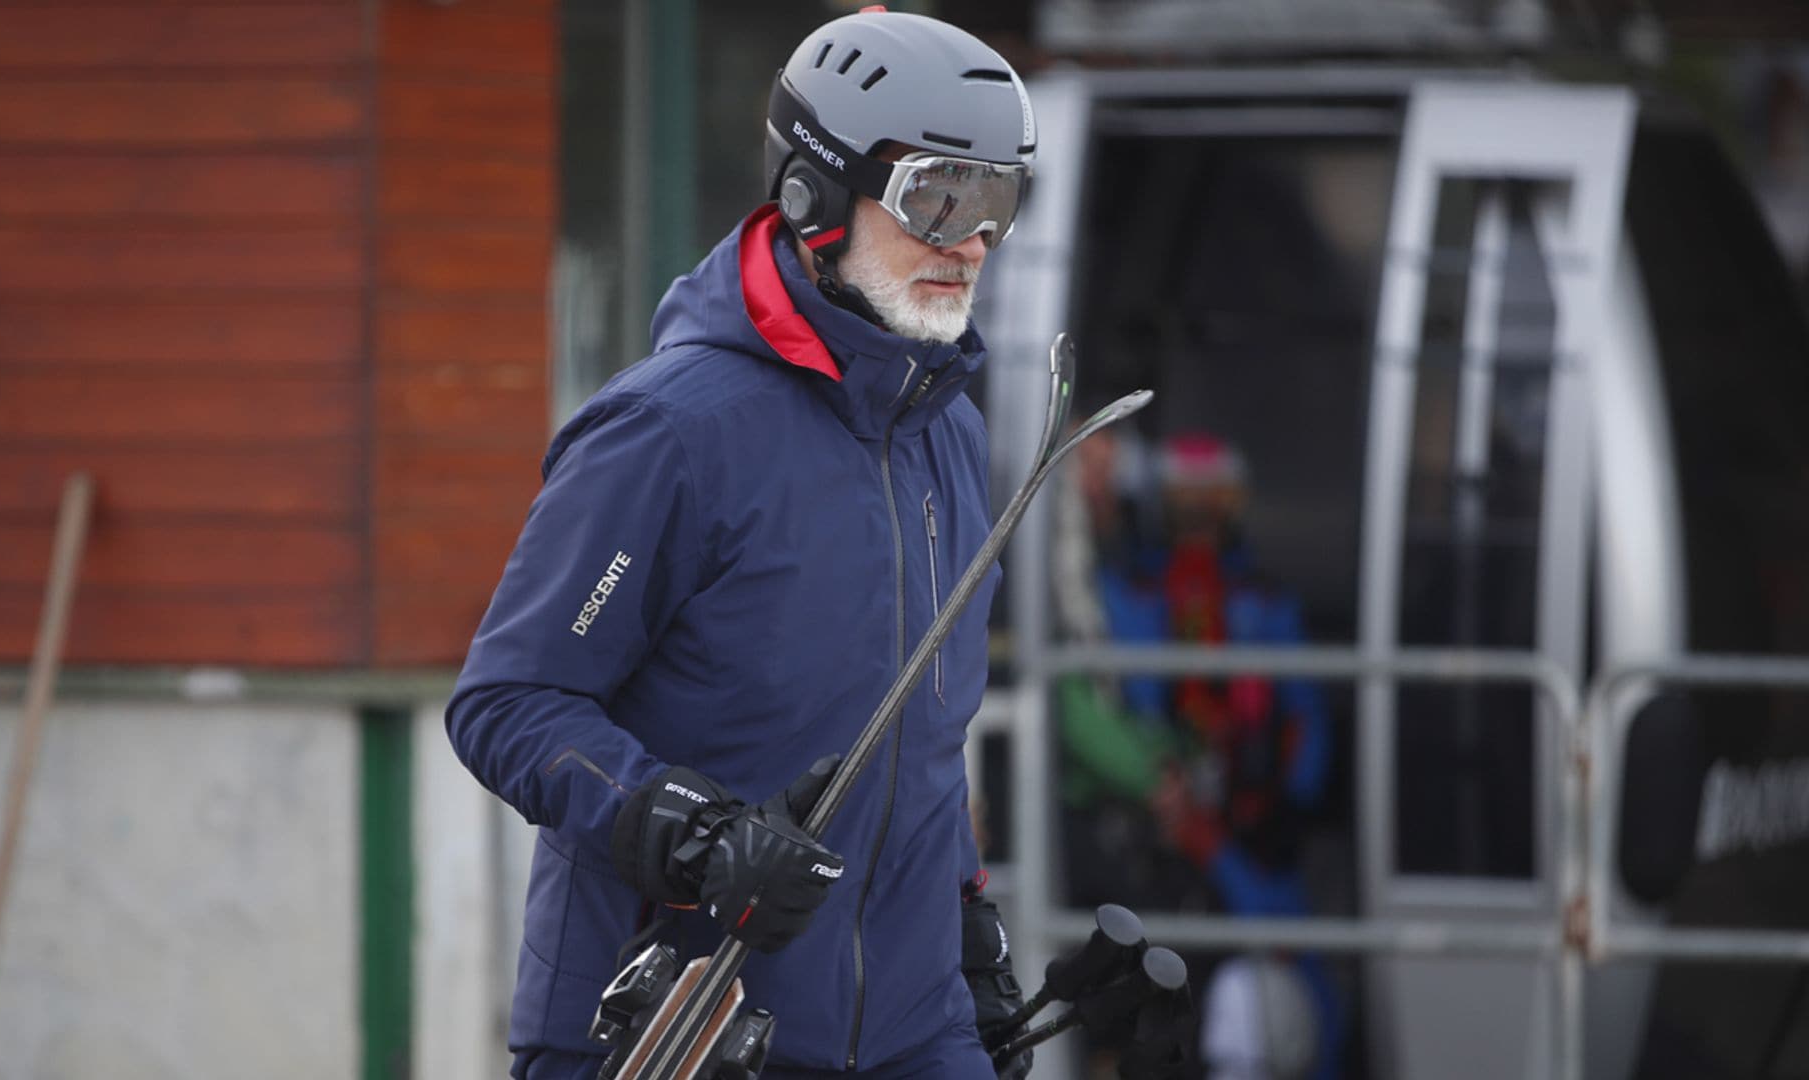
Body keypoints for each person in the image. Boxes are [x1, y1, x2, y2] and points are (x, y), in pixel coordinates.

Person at [447, 10, 1042, 1079]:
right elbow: (508, 703)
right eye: (938, 197)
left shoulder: (944, 426)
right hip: (680, 1031)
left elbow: (924, 738)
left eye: (1000, 198)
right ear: (816, 195)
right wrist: (686, 828)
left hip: (909, 1036)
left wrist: (964, 934)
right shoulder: (671, 432)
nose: (973, 239)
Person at [1053, 431, 1346, 1079]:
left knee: (1292, 962)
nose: (1198, 516)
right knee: (1187, 970)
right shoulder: (1130, 590)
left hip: (1248, 819)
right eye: (1184, 500)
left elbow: (1302, 712)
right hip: (1172, 816)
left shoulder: (1262, 602)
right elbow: (1122, 690)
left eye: (1211, 499)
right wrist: (1166, 775)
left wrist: (1288, 801)